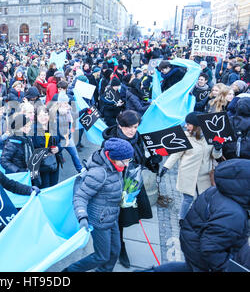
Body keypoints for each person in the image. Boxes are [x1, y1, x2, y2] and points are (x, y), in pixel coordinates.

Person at [148, 159, 249, 272]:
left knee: (188, 268)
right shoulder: (233, 214)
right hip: (200, 254)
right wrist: (224, 269)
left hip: (192, 242)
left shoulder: (216, 191)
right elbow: (211, 248)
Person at [63, 138, 135, 272]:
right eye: (124, 161)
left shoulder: (115, 165)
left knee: (115, 251)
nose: (126, 165)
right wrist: (82, 217)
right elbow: (80, 196)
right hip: (99, 220)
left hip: (111, 216)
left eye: (128, 160)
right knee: (101, 256)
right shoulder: (99, 173)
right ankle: (70, 271)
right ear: (113, 157)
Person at [102, 110, 161, 268]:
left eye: (135, 127)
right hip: (115, 187)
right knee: (117, 220)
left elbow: (141, 160)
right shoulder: (110, 141)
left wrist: (152, 161)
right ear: (120, 125)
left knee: (125, 218)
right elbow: (104, 167)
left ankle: (119, 246)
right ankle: (117, 248)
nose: (132, 130)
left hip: (133, 185)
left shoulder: (138, 137)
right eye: (128, 127)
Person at [159, 112, 223, 221]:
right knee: (188, 199)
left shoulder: (211, 137)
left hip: (205, 175)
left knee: (203, 198)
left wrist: (218, 148)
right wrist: (166, 167)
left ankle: (201, 218)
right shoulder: (185, 137)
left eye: (188, 124)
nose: (185, 126)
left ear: (197, 126)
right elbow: (176, 154)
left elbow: (215, 156)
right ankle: (182, 218)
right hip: (188, 174)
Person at [32, 106, 62, 189]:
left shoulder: (54, 126)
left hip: (54, 162)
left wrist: (58, 148)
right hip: (41, 165)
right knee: (45, 187)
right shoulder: (33, 130)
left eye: (45, 114)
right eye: (40, 115)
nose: (43, 118)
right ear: (36, 117)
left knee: (54, 185)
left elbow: (62, 141)